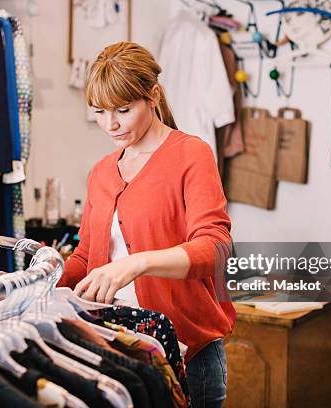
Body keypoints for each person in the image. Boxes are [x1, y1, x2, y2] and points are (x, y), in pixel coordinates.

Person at [58, 41, 236, 408]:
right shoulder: (102, 172)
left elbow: (215, 248)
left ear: (152, 95)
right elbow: (87, 256)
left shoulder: (191, 154)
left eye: (123, 109)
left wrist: (137, 263)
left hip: (189, 353)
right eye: (99, 111)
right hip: (118, 346)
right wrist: (37, 281)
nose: (111, 124)